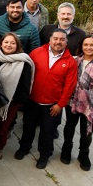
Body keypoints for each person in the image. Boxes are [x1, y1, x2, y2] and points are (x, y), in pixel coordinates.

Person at [15, 29, 78, 169]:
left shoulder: (70, 62)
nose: (58, 42)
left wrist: (60, 105)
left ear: (66, 42)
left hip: (52, 105)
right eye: (55, 38)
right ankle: (24, 148)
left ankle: (44, 155)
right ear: (50, 40)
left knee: (47, 132)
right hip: (32, 101)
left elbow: (70, 86)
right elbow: (26, 73)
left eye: (62, 39)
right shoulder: (36, 53)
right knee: (28, 127)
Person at [61, 35, 93, 171]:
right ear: (81, 46)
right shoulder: (74, 61)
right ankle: (66, 149)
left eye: (92, 45)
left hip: (92, 105)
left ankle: (83, 154)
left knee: (87, 131)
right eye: (86, 45)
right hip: (72, 101)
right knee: (69, 127)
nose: (88, 48)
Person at [0, 33, 34, 165]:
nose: (9, 45)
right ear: (1, 43)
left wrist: (12, 102)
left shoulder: (23, 62)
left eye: (12, 43)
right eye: (6, 42)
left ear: (17, 46)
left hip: (10, 103)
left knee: (1, 129)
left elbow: (25, 87)